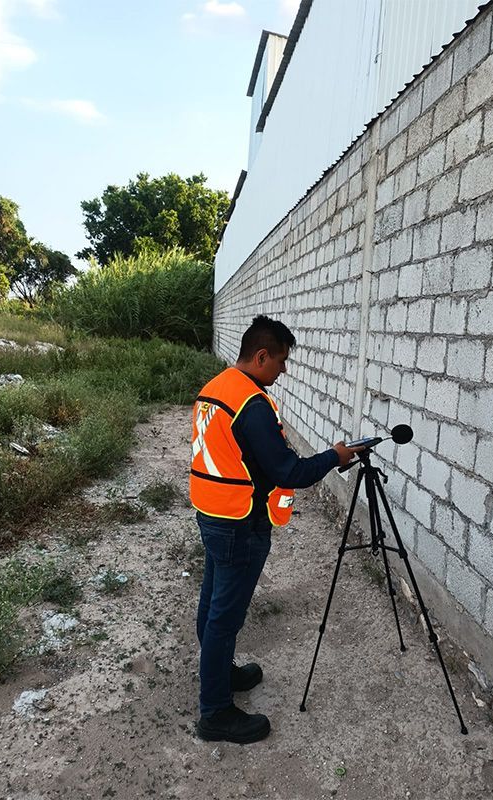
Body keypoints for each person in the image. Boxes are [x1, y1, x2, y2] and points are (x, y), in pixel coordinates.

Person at [190, 314, 362, 744]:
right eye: (282, 361)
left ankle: (220, 674)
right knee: (224, 616)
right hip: (239, 522)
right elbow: (290, 471)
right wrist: (335, 456)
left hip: (212, 512)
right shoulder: (251, 404)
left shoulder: (216, 388)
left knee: (212, 603)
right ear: (262, 355)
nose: (283, 371)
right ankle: (215, 712)